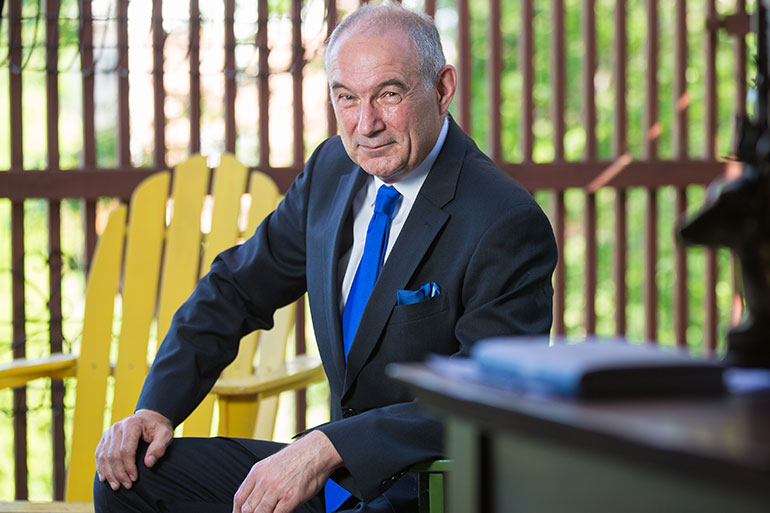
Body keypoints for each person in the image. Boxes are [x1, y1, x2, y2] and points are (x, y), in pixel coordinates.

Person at [93, 3, 557, 513]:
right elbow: (235, 289)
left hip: (426, 491)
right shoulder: (331, 170)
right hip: (334, 484)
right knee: (130, 480)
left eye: (389, 94)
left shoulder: (504, 219)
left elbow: (489, 396)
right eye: (346, 97)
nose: (366, 124)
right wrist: (156, 409)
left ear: (443, 88)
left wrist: (329, 446)